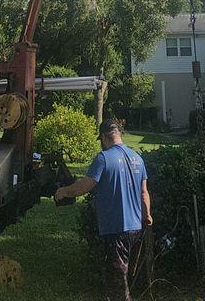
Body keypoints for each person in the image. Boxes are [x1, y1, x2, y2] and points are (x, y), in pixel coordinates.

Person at [54, 118, 152, 301]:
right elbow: (144, 193)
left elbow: (84, 186)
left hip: (116, 229)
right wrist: (147, 216)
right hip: (135, 229)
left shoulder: (104, 158)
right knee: (125, 275)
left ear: (103, 137)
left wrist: (63, 192)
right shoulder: (138, 158)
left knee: (117, 284)